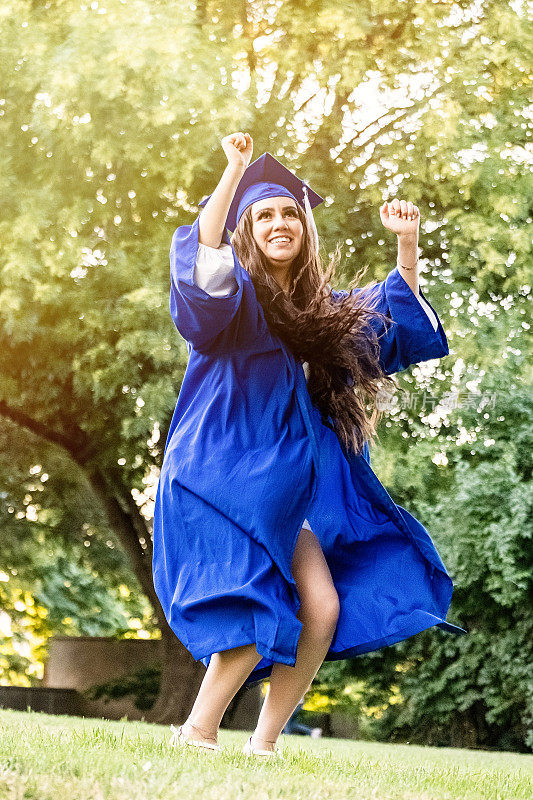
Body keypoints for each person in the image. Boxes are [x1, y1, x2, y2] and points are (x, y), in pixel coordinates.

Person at [153, 132, 465, 756]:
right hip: (216, 477)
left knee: (319, 608)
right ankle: (196, 732)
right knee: (256, 609)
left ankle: (263, 746)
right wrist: (235, 171)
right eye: (263, 214)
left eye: (289, 212)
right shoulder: (234, 298)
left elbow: (391, 321)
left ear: (305, 228)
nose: (279, 222)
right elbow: (204, 258)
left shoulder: (322, 316)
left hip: (276, 493)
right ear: (248, 229)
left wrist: (407, 246)